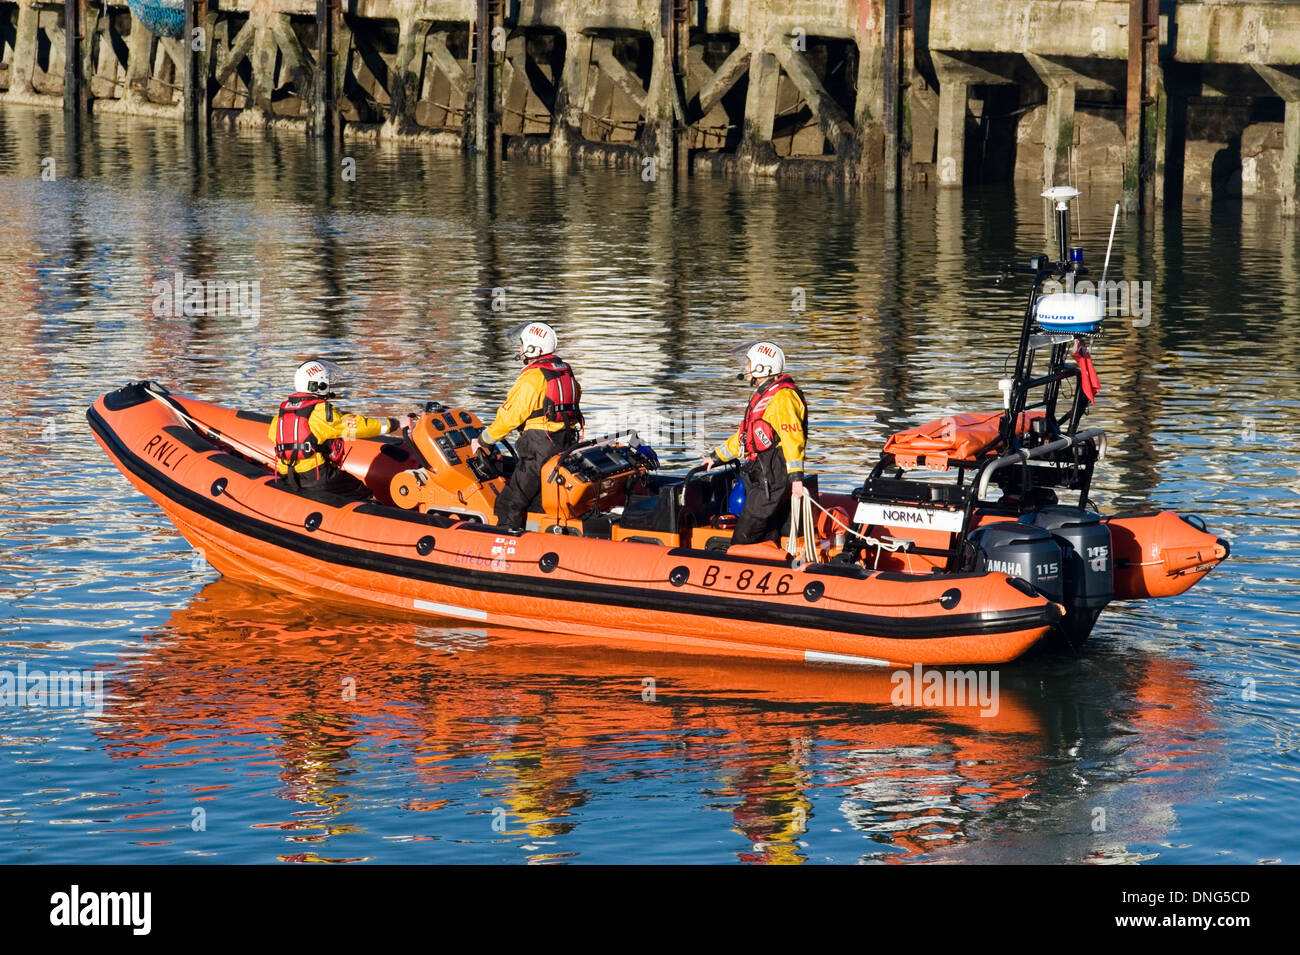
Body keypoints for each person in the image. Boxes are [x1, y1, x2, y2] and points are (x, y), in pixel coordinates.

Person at [470, 322, 583, 533]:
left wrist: (483, 440)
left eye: (522, 344)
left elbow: (509, 418)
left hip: (538, 447)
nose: (520, 349)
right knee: (540, 499)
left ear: (533, 349)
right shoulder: (565, 371)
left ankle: (503, 544)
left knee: (510, 502)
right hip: (564, 442)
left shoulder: (532, 378)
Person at [702, 341, 808, 547]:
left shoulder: (783, 398)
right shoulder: (765, 396)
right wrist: (715, 457)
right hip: (760, 474)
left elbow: (793, 439)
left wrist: (796, 478)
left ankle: (737, 563)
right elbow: (743, 437)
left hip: (773, 475)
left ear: (762, 367)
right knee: (766, 532)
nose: (745, 368)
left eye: (749, 363)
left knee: (744, 535)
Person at [269, 359, 403, 501]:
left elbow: (273, 436)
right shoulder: (323, 412)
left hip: (288, 477)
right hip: (318, 477)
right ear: (318, 385)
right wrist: (394, 424)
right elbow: (359, 426)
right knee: (361, 491)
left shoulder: (280, 415)